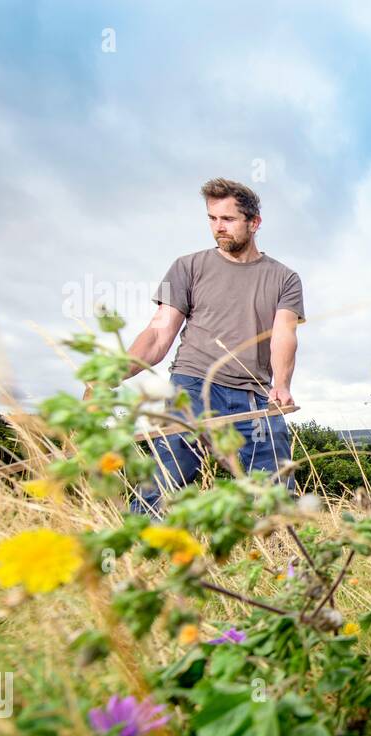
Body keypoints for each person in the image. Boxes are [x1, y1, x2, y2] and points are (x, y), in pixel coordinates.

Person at [123, 178, 305, 516]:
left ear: (255, 222)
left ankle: (285, 563)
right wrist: (116, 372)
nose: (218, 228)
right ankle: (139, 551)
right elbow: (159, 333)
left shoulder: (284, 278)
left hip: (253, 394)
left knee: (274, 483)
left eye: (228, 219)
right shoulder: (187, 267)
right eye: (212, 218)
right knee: (168, 476)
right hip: (192, 386)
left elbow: (284, 333)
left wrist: (281, 385)